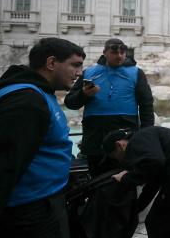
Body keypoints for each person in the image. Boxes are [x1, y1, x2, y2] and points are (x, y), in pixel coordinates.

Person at [0, 38, 85, 238]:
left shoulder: (40, 94)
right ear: (51, 63)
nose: (80, 73)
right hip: (25, 214)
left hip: (40, 203)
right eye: (75, 65)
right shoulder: (25, 101)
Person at [65, 38, 154, 174]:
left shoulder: (136, 73)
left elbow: (146, 105)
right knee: (97, 177)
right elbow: (70, 102)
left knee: (124, 178)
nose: (119, 55)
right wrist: (84, 94)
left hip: (124, 135)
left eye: (122, 52)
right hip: (95, 136)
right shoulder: (89, 73)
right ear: (105, 53)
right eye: (114, 52)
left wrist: (146, 136)